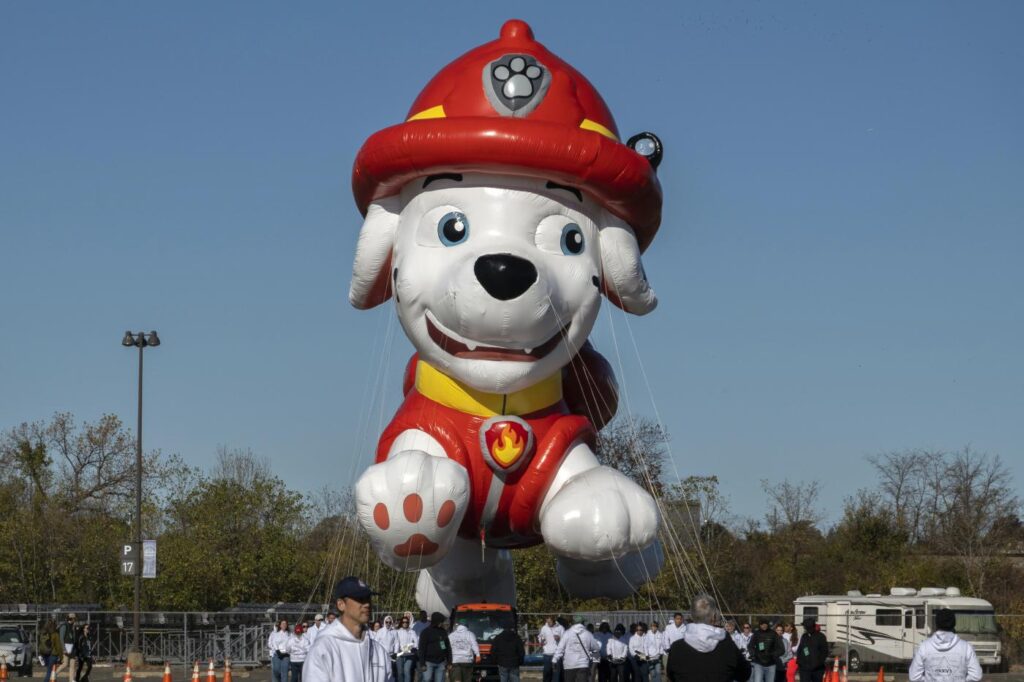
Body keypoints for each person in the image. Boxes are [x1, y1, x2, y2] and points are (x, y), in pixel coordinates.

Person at [304, 576, 392, 682]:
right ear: (341, 604)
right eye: (360, 599)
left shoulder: (379, 652)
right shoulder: (323, 649)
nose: (367, 604)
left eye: (368, 598)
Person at [666, 593, 751, 682]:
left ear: (692, 616)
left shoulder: (677, 648)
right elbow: (744, 674)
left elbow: (671, 675)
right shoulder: (727, 647)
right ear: (714, 616)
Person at [908, 609, 982, 682]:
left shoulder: (924, 647)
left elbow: (914, 677)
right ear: (954, 624)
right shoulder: (966, 647)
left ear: (936, 624)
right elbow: (976, 675)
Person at [553, 616, 599, 682]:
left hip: (569, 665)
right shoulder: (588, 634)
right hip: (583, 665)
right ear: (582, 623)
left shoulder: (567, 633)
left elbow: (560, 648)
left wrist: (554, 660)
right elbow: (596, 648)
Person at [417, 612, 452, 682]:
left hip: (441, 662)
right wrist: (422, 664)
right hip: (428, 662)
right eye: (441, 621)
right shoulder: (425, 632)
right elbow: (422, 649)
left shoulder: (443, 632)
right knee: (427, 679)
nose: (442, 623)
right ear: (436, 621)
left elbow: (447, 647)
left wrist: (449, 662)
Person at [540, 616, 565, 682]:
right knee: (547, 673)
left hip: (556, 654)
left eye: (550, 622)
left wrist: (559, 638)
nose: (548, 623)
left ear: (554, 621)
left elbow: (565, 640)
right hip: (547, 654)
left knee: (556, 674)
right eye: (547, 622)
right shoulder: (544, 628)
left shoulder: (560, 628)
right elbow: (540, 637)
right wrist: (541, 640)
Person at [394, 615, 419, 682]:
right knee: (400, 673)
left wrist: (408, 647)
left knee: (407, 672)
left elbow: (416, 643)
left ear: (409, 623)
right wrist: (396, 652)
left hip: (409, 655)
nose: (405, 623)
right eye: (403, 622)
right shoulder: (397, 631)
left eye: (407, 622)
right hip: (400, 655)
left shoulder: (412, 632)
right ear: (401, 623)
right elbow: (396, 642)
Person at [55, 614, 77, 682]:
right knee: (65, 664)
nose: (75, 620)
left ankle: (71, 679)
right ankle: (54, 674)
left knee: (73, 664)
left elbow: (73, 637)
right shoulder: (64, 626)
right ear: (71, 618)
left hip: (72, 647)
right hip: (66, 647)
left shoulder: (72, 626)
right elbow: (61, 638)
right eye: (74, 619)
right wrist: (64, 649)